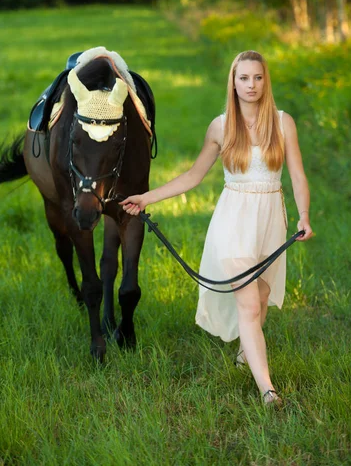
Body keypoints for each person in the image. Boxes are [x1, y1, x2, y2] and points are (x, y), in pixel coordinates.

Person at [121, 50, 313, 406]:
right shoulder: (221, 126)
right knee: (249, 306)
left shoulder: (283, 122)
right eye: (244, 78)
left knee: (262, 295)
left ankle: (245, 352)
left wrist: (304, 216)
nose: (251, 85)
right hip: (233, 220)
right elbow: (193, 176)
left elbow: (298, 175)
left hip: (272, 218)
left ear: (265, 81)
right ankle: (267, 390)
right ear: (233, 81)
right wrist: (147, 198)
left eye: (257, 77)